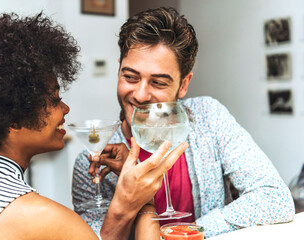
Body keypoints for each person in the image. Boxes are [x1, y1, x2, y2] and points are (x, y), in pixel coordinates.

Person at [0, 12, 189, 240]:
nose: (65, 109)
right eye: (54, 99)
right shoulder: (45, 218)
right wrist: (141, 200)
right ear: (13, 116)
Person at [72, 7, 295, 238]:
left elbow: (275, 198)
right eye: (130, 77)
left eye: (158, 82)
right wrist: (125, 203)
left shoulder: (208, 117)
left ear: (184, 84)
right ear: (118, 69)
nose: (139, 94)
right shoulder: (93, 164)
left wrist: (186, 233)